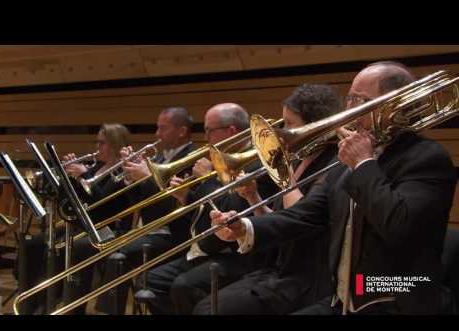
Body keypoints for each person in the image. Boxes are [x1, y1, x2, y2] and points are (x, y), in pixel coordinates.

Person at [210, 62, 457, 315]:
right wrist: (243, 227)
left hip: (399, 297)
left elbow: (400, 227)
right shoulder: (348, 159)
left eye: (360, 100)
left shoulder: (426, 158)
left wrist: (363, 163)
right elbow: (304, 214)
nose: (348, 109)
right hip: (348, 297)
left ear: (394, 104)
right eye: (349, 98)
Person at [193, 84, 342, 315]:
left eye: (290, 123)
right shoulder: (296, 161)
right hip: (278, 267)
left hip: (308, 275)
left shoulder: (333, 163)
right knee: (206, 306)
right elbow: (278, 222)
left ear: (314, 125)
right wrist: (253, 197)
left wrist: (286, 179)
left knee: (211, 310)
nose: (282, 131)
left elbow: (301, 220)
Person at [146, 103, 276, 315]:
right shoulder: (221, 159)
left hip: (238, 254)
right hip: (210, 245)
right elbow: (210, 210)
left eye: (209, 130)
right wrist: (187, 198)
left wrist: (206, 183)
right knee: (154, 280)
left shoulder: (254, 163)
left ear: (231, 131)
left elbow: (233, 210)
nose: (205, 137)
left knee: (184, 286)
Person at [95, 107, 197, 314]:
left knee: (118, 254)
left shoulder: (193, 159)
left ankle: (109, 311)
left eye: (163, 128)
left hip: (173, 233)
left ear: (181, 131)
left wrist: (147, 179)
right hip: (149, 229)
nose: (157, 134)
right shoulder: (158, 159)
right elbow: (139, 203)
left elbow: (176, 206)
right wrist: (131, 177)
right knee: (105, 246)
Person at [24, 123, 132, 315]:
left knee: (67, 247)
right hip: (82, 224)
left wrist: (84, 175)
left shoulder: (121, 171)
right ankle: (31, 302)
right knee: (35, 243)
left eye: (102, 143)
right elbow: (72, 201)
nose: (97, 147)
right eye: (97, 142)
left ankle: (65, 304)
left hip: (105, 229)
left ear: (115, 145)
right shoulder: (96, 166)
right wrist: (69, 178)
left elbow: (102, 206)